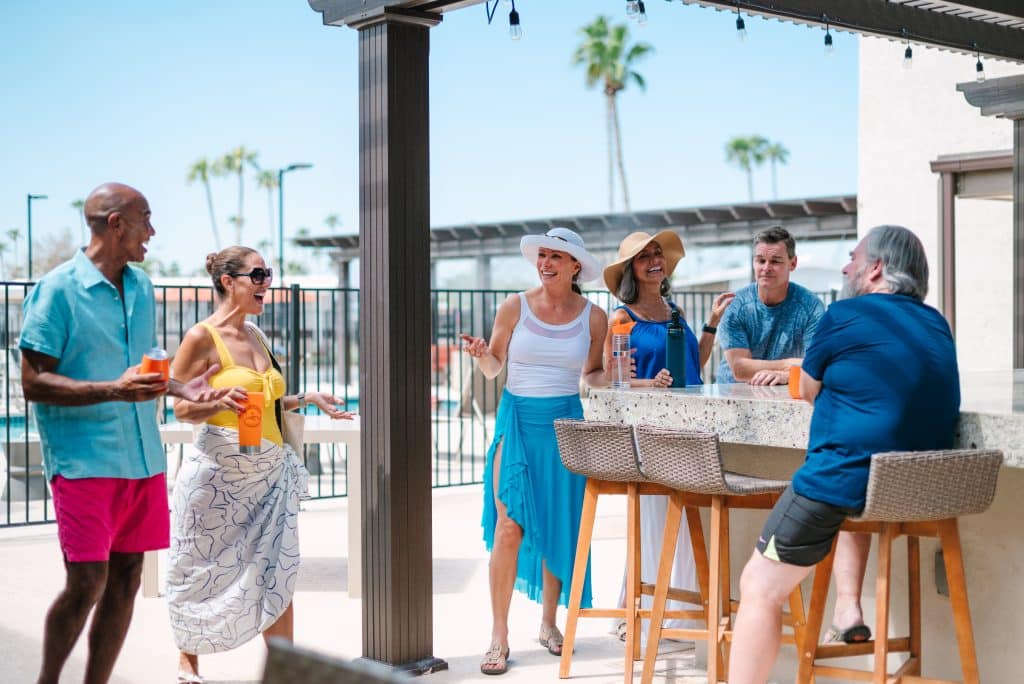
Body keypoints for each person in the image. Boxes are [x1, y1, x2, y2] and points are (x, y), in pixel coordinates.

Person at [19, 182, 240, 684]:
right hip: (83, 461)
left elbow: (141, 369)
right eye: (145, 218)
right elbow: (33, 382)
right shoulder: (56, 290)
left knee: (126, 580)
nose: (152, 231)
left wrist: (184, 385)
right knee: (87, 583)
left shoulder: (141, 286)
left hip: (142, 459)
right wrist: (112, 391)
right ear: (116, 224)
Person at [726, 225, 961, 684]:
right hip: (919, 488)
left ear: (875, 269)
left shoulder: (843, 315)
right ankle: (848, 608)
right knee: (851, 489)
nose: (844, 266)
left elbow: (809, 386)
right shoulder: (937, 323)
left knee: (757, 586)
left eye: (853, 257)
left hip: (842, 480)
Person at [166, 246, 353, 684]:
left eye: (268, 273)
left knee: (278, 569)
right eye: (258, 274)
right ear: (228, 281)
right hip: (217, 473)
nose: (266, 282)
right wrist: (208, 400)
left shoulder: (256, 335)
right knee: (198, 567)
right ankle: (188, 662)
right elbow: (179, 407)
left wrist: (307, 399)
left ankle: (285, 670)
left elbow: (263, 402)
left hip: (265, 470)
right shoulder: (201, 337)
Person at [460, 227, 607, 676]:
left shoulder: (594, 317)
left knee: (558, 524)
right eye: (541, 256)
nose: (545, 263)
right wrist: (481, 355)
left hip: (567, 423)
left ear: (575, 265)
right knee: (510, 527)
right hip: (519, 421)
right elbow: (493, 369)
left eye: (556, 257)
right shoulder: (514, 306)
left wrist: (620, 376)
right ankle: (498, 636)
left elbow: (593, 374)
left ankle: (549, 623)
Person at [601, 229, 733, 641]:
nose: (654, 260)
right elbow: (612, 379)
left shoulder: (674, 310)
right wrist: (650, 385)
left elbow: (694, 362)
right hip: (651, 429)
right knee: (655, 521)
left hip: (691, 425)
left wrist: (711, 323)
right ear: (631, 271)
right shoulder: (622, 318)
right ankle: (640, 611)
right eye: (644, 257)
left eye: (658, 254)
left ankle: (680, 610)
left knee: (686, 518)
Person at [716, 226, 825, 385]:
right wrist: (789, 365)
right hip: (733, 394)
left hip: (782, 391)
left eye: (775, 261)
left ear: (793, 263)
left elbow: (817, 365)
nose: (766, 268)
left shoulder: (811, 308)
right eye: (760, 261)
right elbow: (739, 369)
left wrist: (787, 376)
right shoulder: (736, 305)